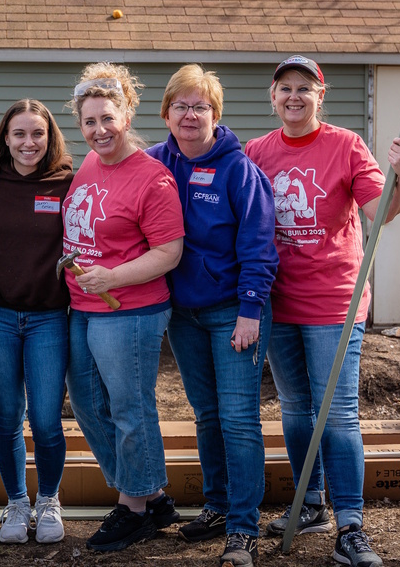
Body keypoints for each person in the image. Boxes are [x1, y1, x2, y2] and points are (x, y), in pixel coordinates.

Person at [244, 55, 400, 567]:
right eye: (284, 88)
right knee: (296, 409)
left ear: (322, 95)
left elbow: (380, 211)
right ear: (272, 96)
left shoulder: (345, 145)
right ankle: (311, 502)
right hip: (278, 300)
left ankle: (351, 526)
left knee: (337, 414)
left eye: (304, 88)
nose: (294, 96)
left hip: (333, 303)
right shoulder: (256, 152)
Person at [147, 65, 278, 567]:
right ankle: (219, 507)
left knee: (240, 419)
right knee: (205, 416)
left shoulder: (239, 170)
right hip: (183, 313)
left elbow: (259, 245)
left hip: (232, 313)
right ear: (166, 112)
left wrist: (250, 311)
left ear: (215, 114)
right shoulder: (156, 163)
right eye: (180, 105)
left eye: (200, 105)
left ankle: (244, 529)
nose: (190, 114)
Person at [62, 62, 186, 552]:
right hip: (82, 307)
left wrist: (111, 276)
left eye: (107, 119)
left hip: (130, 309)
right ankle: (151, 494)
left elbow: (168, 251)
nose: (98, 130)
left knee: (130, 410)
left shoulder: (152, 179)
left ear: (127, 117)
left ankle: (132, 509)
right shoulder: (91, 163)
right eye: (89, 122)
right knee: (92, 408)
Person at [0, 99, 75, 545]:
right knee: (7, 415)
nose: (29, 142)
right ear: (6, 138)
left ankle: (49, 499)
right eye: (19, 134)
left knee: (48, 420)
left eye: (38, 133)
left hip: (49, 318)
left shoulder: (68, 183)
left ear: (50, 138)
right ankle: (16, 501)